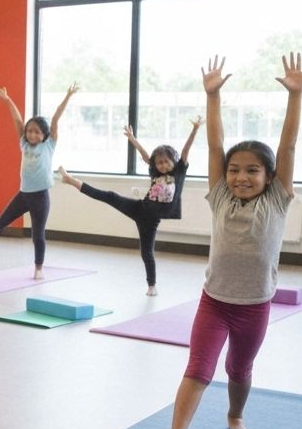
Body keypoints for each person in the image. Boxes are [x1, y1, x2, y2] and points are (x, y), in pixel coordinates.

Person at [165, 54, 302, 429]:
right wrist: (213, 97)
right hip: (214, 302)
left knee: (240, 370)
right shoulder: (221, 197)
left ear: (270, 177)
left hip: (255, 306)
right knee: (198, 368)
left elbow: (287, 145)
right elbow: (214, 144)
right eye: (234, 170)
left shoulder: (279, 201)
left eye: (252, 171)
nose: (240, 177)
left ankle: (234, 415)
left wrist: (297, 96)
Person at [58, 116, 203, 295]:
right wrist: (133, 139)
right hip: (139, 208)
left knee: (146, 253)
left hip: (150, 221)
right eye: (159, 163)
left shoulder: (179, 171)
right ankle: (70, 180)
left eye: (166, 162)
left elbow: (186, 150)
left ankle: (152, 286)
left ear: (173, 161)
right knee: (109, 196)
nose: (163, 165)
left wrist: (195, 129)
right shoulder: (155, 171)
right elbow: (145, 156)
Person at [0, 84, 79, 278]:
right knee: (2, 221)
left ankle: (38, 268)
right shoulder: (24, 143)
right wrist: (8, 100)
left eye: (37, 132)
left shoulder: (49, 145)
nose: (32, 134)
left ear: (44, 135)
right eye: (29, 131)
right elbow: (17, 120)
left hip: (41, 196)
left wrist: (67, 96)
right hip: (24, 194)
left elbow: (56, 119)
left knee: (37, 233)